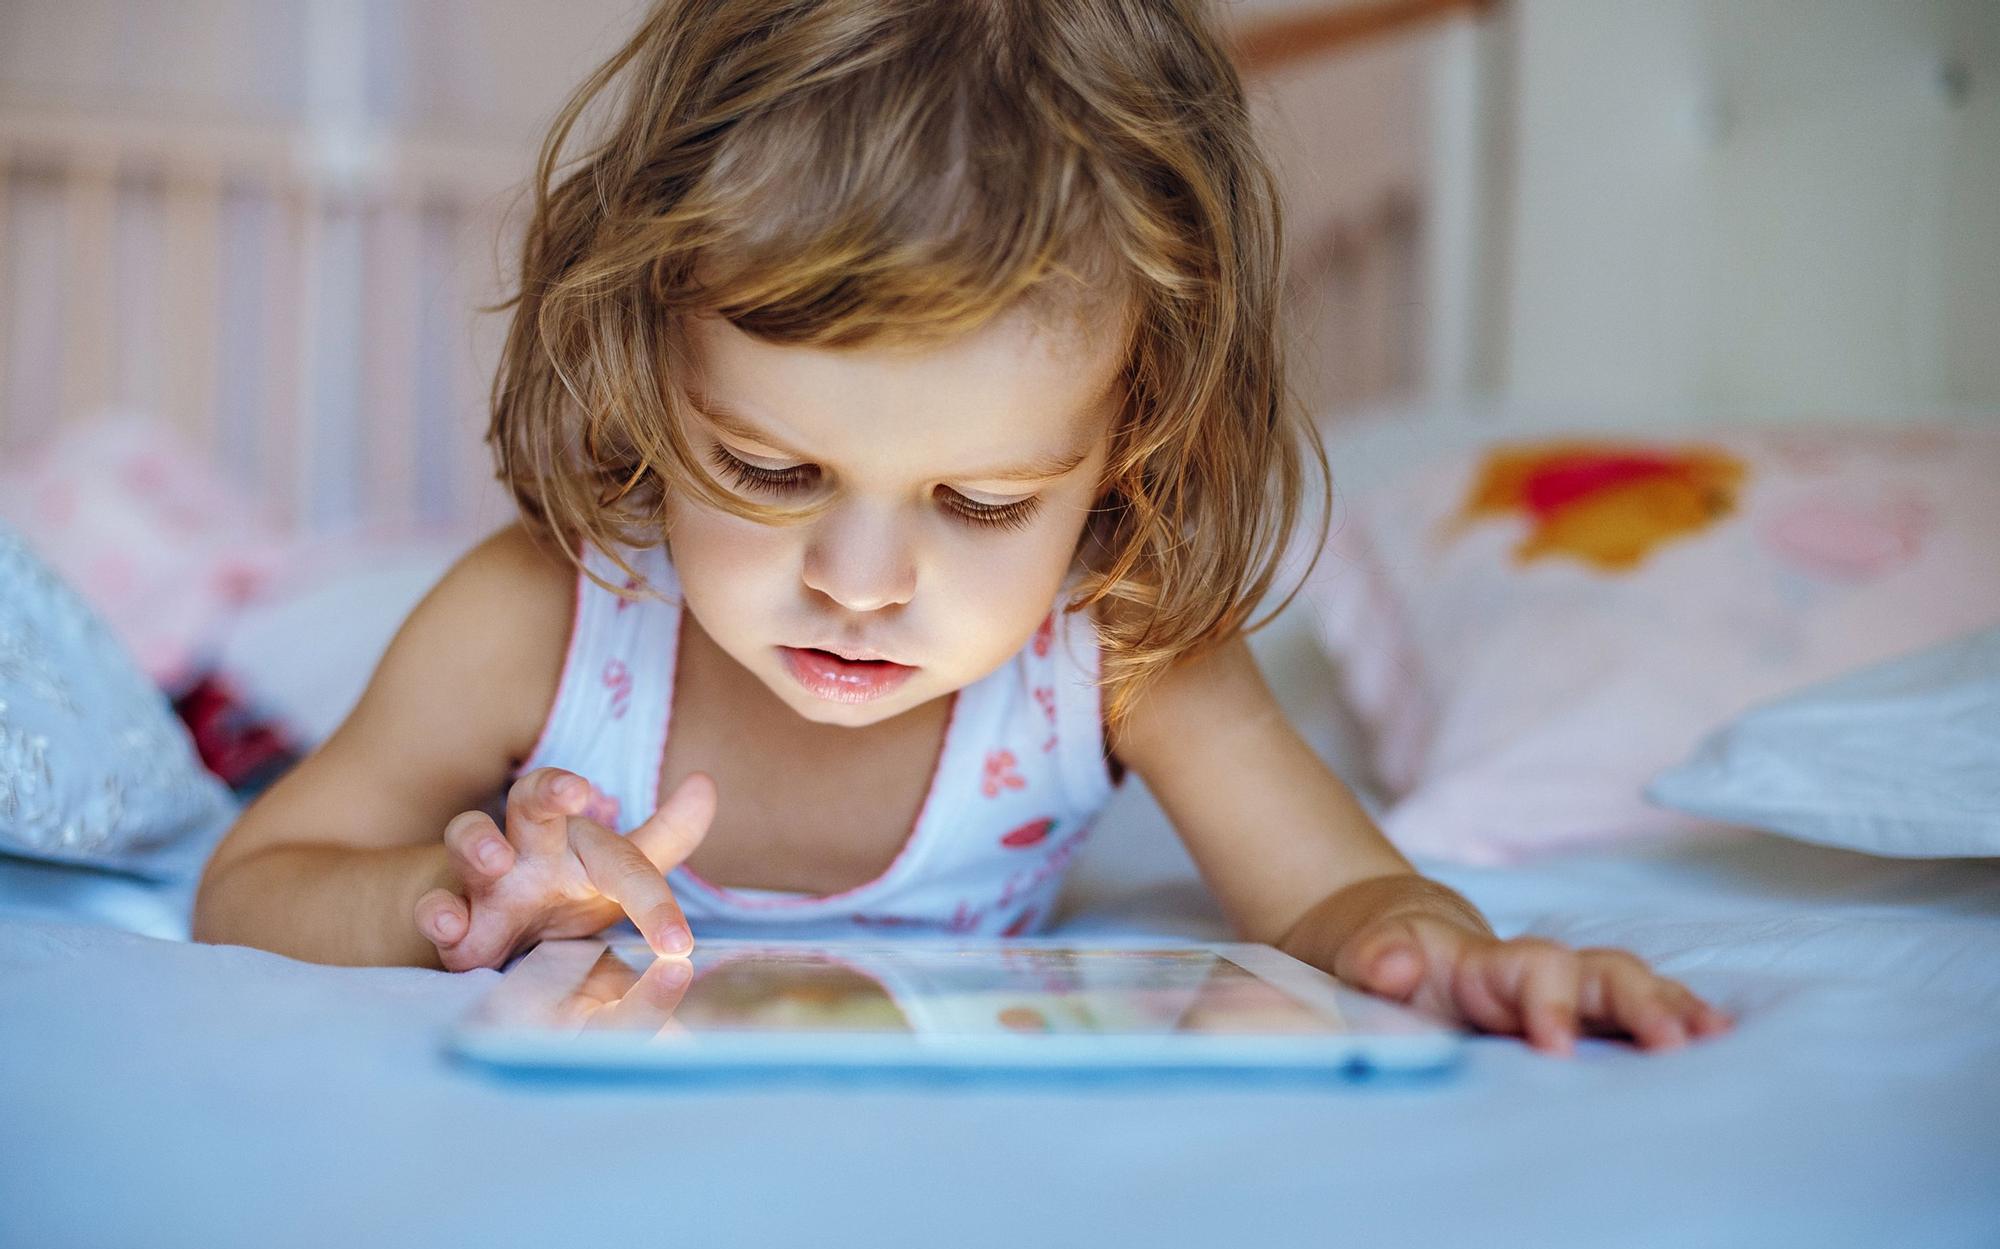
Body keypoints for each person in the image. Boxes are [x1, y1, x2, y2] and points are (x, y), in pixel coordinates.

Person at [195, 0, 1732, 1057]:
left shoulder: (1117, 647)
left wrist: (1454, 955)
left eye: (986, 504)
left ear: (1130, 447)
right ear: (650, 365)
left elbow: (1338, 898)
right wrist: (458, 904)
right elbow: (255, 881)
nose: (858, 585)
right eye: (771, 472)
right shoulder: (543, 616)